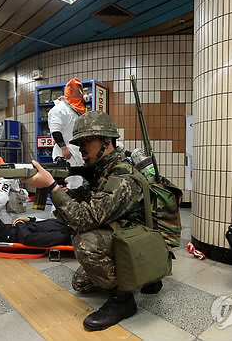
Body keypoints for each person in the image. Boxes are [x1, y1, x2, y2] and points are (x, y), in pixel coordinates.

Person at [24, 111, 156, 331]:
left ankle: (123, 301)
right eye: (79, 143)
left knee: (85, 243)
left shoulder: (122, 177)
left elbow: (83, 220)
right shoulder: (102, 170)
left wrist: (52, 187)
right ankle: (143, 277)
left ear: (107, 142)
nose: (81, 148)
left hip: (138, 242)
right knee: (81, 283)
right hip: (125, 234)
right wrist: (62, 192)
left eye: (87, 141)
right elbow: (86, 199)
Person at [48, 77, 86, 189]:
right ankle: (59, 207)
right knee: (64, 187)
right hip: (65, 155)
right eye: (78, 90)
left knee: (75, 186)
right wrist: (64, 148)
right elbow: (55, 131)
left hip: (76, 153)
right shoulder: (59, 109)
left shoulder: (74, 110)